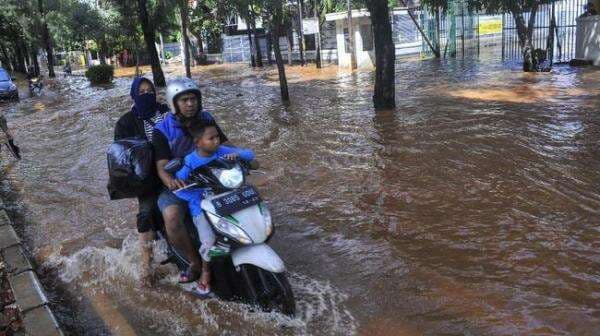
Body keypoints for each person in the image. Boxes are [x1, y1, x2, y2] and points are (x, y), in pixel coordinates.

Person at [153, 78, 232, 284]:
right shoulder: (162, 130)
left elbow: (223, 145)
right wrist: (170, 180)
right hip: (181, 184)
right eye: (185, 100)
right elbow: (161, 166)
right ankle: (194, 262)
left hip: (211, 178)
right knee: (171, 216)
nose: (190, 104)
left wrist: (237, 158)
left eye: (194, 99)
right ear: (174, 103)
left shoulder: (206, 118)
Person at [173, 119, 256, 296]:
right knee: (209, 240)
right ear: (198, 142)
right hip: (202, 207)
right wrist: (195, 196)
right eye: (211, 138)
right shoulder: (190, 161)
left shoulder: (222, 151)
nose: (216, 141)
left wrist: (238, 156)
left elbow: (249, 154)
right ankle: (205, 271)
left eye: (217, 136)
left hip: (226, 200)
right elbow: (178, 186)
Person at [113, 77, 168, 286]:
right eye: (142, 92)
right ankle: (146, 265)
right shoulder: (126, 122)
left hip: (176, 168)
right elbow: (120, 153)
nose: (147, 95)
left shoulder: (166, 113)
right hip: (147, 178)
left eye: (150, 91)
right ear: (134, 96)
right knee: (146, 213)